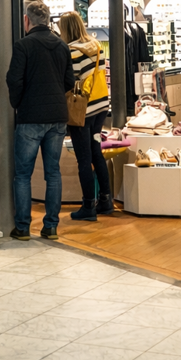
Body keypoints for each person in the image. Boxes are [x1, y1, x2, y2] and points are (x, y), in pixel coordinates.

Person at [6, 0, 75, 240]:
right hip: (57, 117)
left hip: (30, 117)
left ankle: (23, 227)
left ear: (27, 20)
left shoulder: (23, 45)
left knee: (23, 174)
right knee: (52, 172)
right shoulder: (61, 46)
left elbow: (14, 80)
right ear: (48, 20)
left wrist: (18, 103)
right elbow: (69, 81)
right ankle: (51, 226)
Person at [58, 12, 112, 221]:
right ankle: (105, 200)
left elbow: (71, 81)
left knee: (83, 159)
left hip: (83, 109)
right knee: (96, 152)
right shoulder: (95, 45)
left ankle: (88, 204)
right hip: (100, 106)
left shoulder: (72, 52)